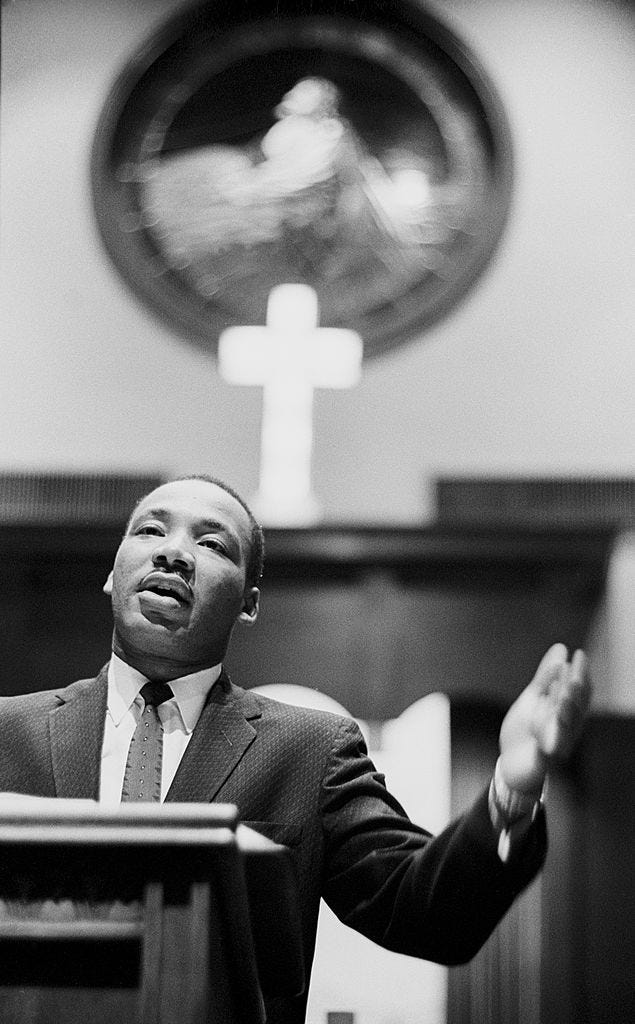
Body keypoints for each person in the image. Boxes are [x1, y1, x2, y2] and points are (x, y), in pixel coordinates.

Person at [0, 475, 590, 1024]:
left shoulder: (308, 750)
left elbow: (428, 915)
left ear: (249, 603)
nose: (173, 552)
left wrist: (514, 788)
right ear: (112, 572)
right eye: (151, 530)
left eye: (211, 544)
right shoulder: (9, 730)